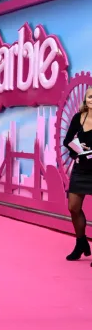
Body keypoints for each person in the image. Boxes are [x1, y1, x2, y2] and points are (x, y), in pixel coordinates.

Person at [63, 86, 92, 262]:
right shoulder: (78, 117)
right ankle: (81, 243)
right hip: (81, 169)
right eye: (89, 97)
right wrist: (80, 149)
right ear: (85, 99)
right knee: (73, 207)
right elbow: (67, 141)